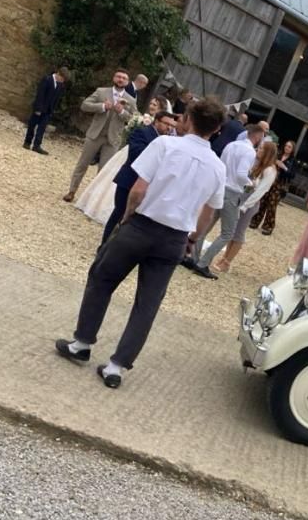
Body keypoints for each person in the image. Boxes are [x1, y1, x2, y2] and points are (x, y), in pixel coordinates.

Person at [54, 97, 227, 389]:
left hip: (143, 224)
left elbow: (138, 189)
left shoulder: (164, 145)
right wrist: (194, 237)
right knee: (147, 304)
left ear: (187, 119)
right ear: (218, 128)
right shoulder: (217, 167)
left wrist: (126, 217)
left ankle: (82, 342)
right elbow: (210, 211)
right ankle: (116, 366)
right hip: (174, 238)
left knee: (102, 277)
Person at [191, 123, 264, 279]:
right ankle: (203, 263)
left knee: (207, 224)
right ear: (257, 136)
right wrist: (251, 183)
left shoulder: (231, 145)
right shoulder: (249, 151)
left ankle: (194, 257)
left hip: (220, 186)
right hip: (232, 191)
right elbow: (240, 174)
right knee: (228, 232)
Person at [64, 68, 137, 203]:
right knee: (82, 164)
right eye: (118, 76)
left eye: (124, 78)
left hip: (113, 138)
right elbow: (85, 105)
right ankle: (71, 191)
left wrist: (122, 112)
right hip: (95, 134)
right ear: (114, 78)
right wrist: (102, 106)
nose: (120, 79)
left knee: (104, 171)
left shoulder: (131, 100)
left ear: (127, 82)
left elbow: (133, 119)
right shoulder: (101, 91)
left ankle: (93, 199)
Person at [102, 110, 175, 243]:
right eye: (166, 124)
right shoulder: (143, 132)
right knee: (119, 213)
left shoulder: (169, 141)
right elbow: (135, 152)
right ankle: (104, 244)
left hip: (146, 185)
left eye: (172, 125)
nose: (169, 128)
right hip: (129, 180)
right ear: (157, 121)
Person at [211, 141, 278, 274]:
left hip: (249, 204)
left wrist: (245, 206)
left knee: (239, 232)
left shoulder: (270, 170)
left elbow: (261, 191)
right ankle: (225, 258)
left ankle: (227, 262)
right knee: (232, 230)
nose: (258, 150)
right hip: (241, 200)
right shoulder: (257, 164)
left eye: (261, 149)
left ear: (267, 153)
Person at [248, 139, 296, 236]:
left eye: (289, 147)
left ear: (292, 149)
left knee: (272, 206)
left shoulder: (292, 161)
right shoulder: (277, 155)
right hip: (268, 181)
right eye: (286, 146)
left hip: (279, 186)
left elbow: (292, 175)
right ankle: (254, 221)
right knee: (262, 202)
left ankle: (268, 227)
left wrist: (284, 168)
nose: (287, 148)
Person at [23, 66, 69, 154]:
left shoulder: (60, 85)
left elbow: (56, 99)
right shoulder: (47, 79)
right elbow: (40, 94)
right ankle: (27, 142)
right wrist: (38, 108)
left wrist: (52, 110)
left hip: (48, 110)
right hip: (40, 108)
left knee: (42, 128)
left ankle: (37, 145)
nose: (62, 81)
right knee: (32, 125)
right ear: (58, 74)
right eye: (62, 79)